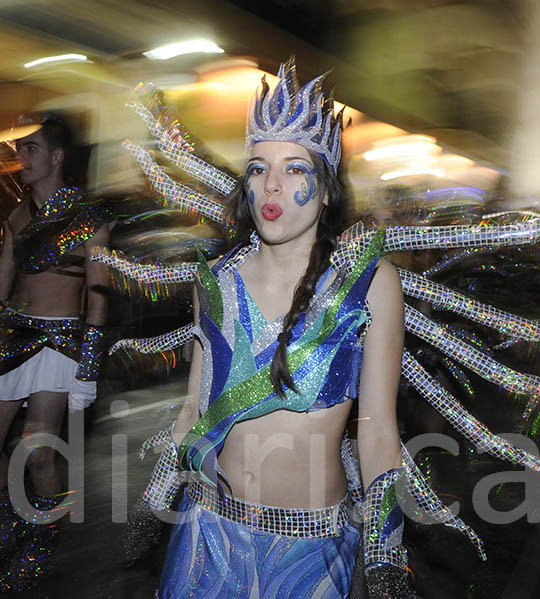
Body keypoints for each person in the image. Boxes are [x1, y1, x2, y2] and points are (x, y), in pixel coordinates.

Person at [142, 61, 418, 599]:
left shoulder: (369, 285)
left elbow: (380, 431)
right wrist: (155, 499)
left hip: (311, 555)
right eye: (258, 167)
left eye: (295, 169)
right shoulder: (215, 282)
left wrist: (384, 553)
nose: (271, 184)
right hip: (207, 538)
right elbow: (194, 413)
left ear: (327, 190)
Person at [0, 112, 109, 591]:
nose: (19, 158)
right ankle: (11, 526)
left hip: (61, 344)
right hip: (12, 337)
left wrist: (88, 366)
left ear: (57, 156)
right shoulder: (18, 215)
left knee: (38, 454)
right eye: (17, 149)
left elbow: (98, 293)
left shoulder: (88, 217)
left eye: (30, 149)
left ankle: (40, 543)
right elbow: (2, 279)